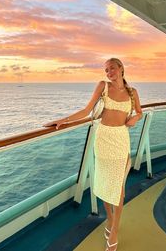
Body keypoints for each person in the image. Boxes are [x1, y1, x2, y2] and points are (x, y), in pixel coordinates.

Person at [44, 58, 143, 251]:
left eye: (112, 68)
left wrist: (135, 119)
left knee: (119, 188)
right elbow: (87, 110)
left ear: (121, 68)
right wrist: (61, 121)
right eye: (106, 70)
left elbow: (139, 111)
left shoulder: (132, 92)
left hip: (121, 140)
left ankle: (114, 229)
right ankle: (110, 219)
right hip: (104, 139)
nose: (108, 73)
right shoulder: (103, 86)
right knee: (105, 183)